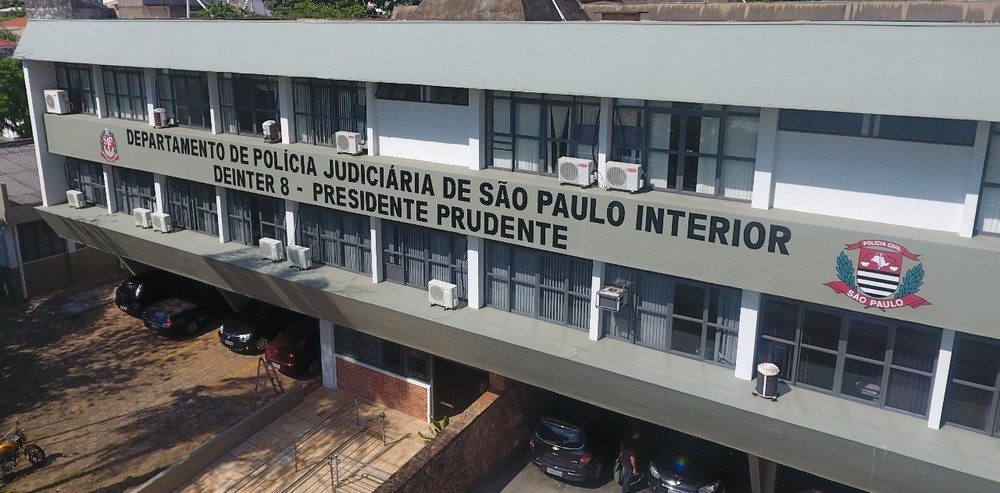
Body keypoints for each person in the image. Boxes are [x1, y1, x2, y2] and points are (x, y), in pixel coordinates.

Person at [620, 427, 640, 493]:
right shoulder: (632, 444)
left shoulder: (626, 438)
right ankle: (625, 490)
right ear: (637, 435)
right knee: (628, 477)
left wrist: (621, 454)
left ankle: (626, 486)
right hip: (628, 463)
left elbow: (622, 445)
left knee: (626, 474)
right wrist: (634, 468)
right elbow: (632, 457)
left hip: (623, 459)